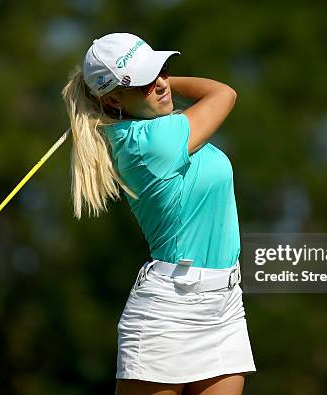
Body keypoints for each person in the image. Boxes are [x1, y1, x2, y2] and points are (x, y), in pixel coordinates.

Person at [61, 32, 256, 395]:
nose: (162, 84)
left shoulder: (156, 126)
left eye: (162, 70)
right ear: (115, 96)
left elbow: (211, 94)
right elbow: (223, 94)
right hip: (169, 311)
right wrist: (160, 85)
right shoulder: (146, 144)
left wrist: (150, 84)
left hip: (225, 303)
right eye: (145, 82)